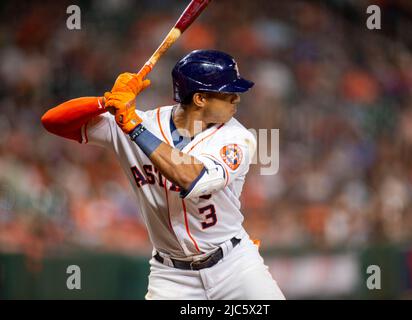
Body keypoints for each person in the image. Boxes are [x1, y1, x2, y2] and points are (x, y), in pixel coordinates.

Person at [41, 49, 285, 300]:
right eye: (228, 93)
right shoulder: (139, 122)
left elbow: (192, 178)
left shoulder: (236, 137)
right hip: (172, 276)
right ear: (200, 99)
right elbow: (53, 122)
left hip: (234, 266)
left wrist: (135, 130)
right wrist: (106, 101)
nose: (237, 98)